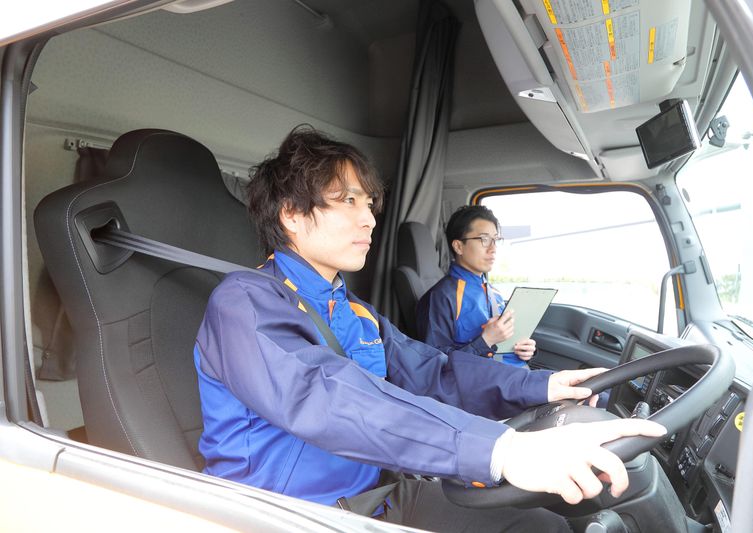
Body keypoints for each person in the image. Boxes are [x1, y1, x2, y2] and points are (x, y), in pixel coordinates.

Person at [193, 125, 665, 531]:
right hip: (292, 514)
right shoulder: (244, 302)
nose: (369, 218)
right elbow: (325, 397)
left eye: (369, 202)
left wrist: (542, 386)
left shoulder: (353, 310)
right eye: (348, 200)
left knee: (542, 527)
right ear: (292, 214)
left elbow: (435, 372)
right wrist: (502, 450)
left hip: (377, 493)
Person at [417, 205, 532, 367]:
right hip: (484, 378)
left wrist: (524, 350)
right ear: (458, 246)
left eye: (495, 240)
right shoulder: (442, 296)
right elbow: (436, 364)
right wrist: (486, 340)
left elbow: (506, 345)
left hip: (516, 372)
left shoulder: (494, 293)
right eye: (484, 240)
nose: (493, 249)